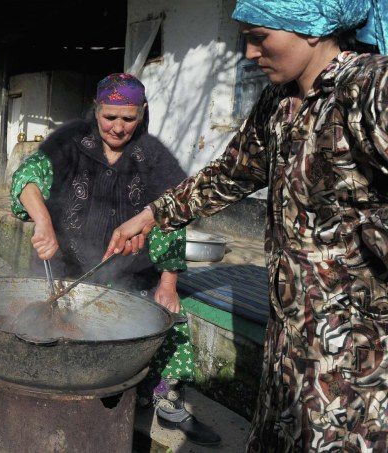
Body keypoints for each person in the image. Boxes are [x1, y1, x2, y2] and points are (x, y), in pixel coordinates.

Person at [104, 1, 388, 451]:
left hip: (357, 350)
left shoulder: (370, 89)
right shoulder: (280, 101)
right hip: (290, 338)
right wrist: (152, 214)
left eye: (260, 37)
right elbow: (231, 173)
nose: (250, 54)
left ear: (310, 29)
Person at [10, 73, 221, 446]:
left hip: (131, 275)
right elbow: (27, 176)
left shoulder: (154, 158)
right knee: (57, 335)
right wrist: (42, 221)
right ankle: (56, 393)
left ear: (143, 114)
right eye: (110, 117)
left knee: (166, 324)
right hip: (66, 270)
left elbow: (173, 217)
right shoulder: (69, 142)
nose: (118, 128)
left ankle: (164, 400)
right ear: (96, 110)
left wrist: (168, 283)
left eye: (129, 118)